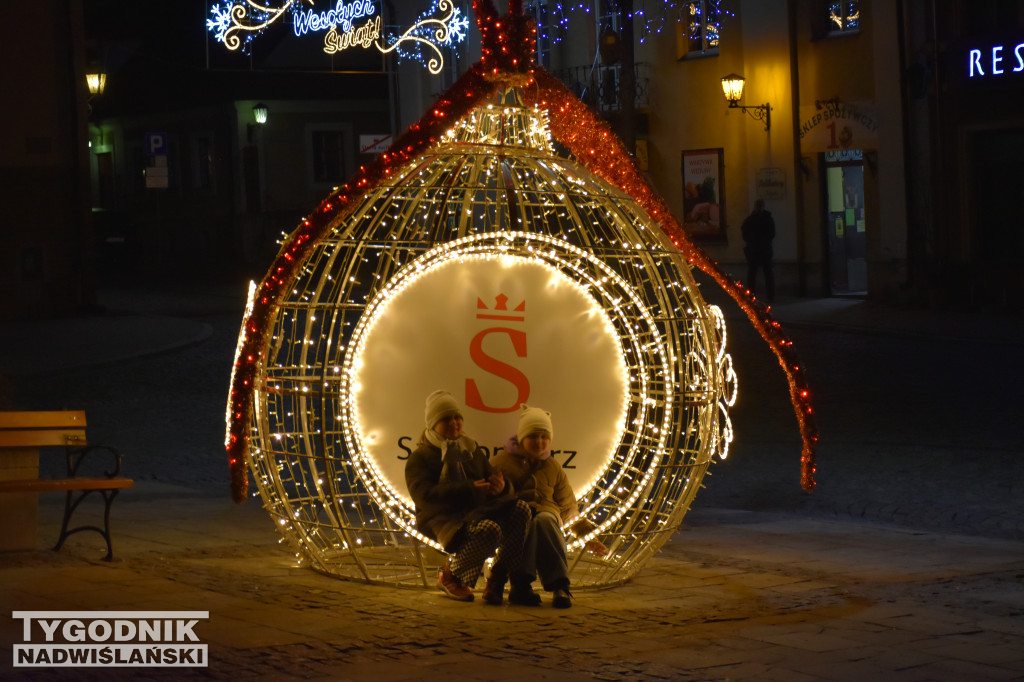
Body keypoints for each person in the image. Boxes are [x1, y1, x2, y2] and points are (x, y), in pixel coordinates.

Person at [404, 390, 531, 604]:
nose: (454, 423)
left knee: (521, 510)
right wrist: (469, 489)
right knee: (489, 530)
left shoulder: (471, 449)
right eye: (446, 419)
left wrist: (500, 487)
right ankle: (452, 575)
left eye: (457, 417)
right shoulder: (420, 457)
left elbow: (490, 477)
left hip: (476, 511)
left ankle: (497, 578)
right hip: (443, 519)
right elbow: (423, 497)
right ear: (433, 424)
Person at [491, 405, 608, 609]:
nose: (539, 442)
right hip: (516, 519)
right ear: (522, 437)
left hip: (547, 516)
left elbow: (568, 506)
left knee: (544, 519)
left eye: (544, 437)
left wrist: (589, 537)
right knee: (528, 519)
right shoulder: (502, 462)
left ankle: (556, 585)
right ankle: (523, 584)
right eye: (533, 436)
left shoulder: (553, 466)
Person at [741, 198, 776, 302]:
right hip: (760, 249)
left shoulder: (752, 219)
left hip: (757, 249)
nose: (759, 208)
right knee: (763, 273)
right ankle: (765, 296)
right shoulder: (765, 219)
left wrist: (751, 241)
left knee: (758, 273)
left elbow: (744, 232)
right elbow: (772, 234)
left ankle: (754, 296)